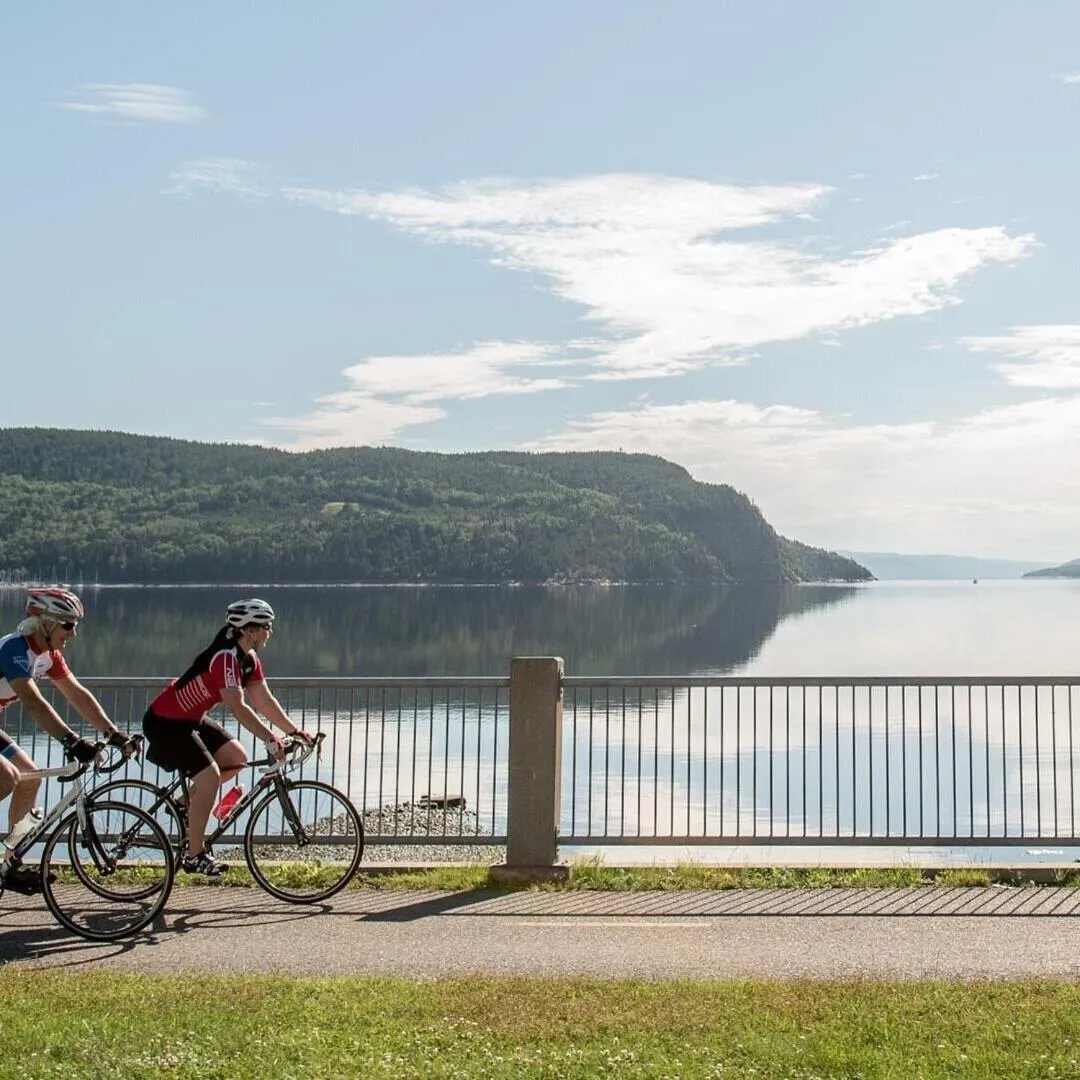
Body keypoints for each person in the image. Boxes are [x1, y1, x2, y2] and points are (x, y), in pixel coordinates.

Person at [142, 598, 312, 877]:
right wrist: (270, 738)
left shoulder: (248, 659)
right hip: (166, 722)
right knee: (209, 778)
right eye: (266, 626)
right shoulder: (224, 657)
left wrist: (294, 730)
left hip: (190, 720)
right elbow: (237, 705)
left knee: (237, 759)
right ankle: (195, 854)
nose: (270, 631)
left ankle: (186, 804)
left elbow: (264, 700)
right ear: (249, 630)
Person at [0, 587, 138, 894]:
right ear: (46, 623)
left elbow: (77, 695)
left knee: (30, 778)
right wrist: (72, 740)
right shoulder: (13, 649)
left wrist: (112, 732)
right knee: (7, 776)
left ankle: (10, 864)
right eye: (68, 624)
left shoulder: (48, 656)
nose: (73, 633)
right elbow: (36, 704)